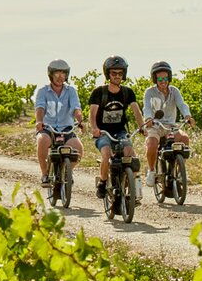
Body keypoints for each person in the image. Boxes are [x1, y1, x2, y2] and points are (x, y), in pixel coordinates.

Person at [89, 55, 146, 200]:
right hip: (103, 132)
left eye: (120, 73)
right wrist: (95, 128)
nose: (117, 76)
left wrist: (142, 126)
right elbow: (92, 114)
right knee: (107, 153)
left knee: (131, 157)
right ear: (108, 74)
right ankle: (102, 183)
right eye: (114, 73)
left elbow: (136, 111)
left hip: (120, 132)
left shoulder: (127, 92)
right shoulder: (99, 92)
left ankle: (130, 188)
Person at [143, 61, 195, 187]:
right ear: (155, 79)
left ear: (169, 78)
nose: (163, 81)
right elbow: (147, 108)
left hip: (171, 126)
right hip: (156, 125)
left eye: (165, 78)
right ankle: (151, 171)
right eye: (159, 78)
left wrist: (188, 116)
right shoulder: (149, 92)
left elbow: (182, 105)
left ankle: (181, 170)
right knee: (151, 144)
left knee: (184, 139)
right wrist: (149, 118)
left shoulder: (174, 91)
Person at [34, 59, 84, 187]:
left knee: (78, 148)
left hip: (66, 128)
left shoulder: (71, 91)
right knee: (42, 140)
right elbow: (40, 108)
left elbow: (75, 108)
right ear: (51, 74)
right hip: (48, 128)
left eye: (63, 73)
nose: (60, 77)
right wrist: (39, 121)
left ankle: (67, 172)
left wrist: (80, 121)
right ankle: (45, 174)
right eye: (57, 73)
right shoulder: (43, 91)